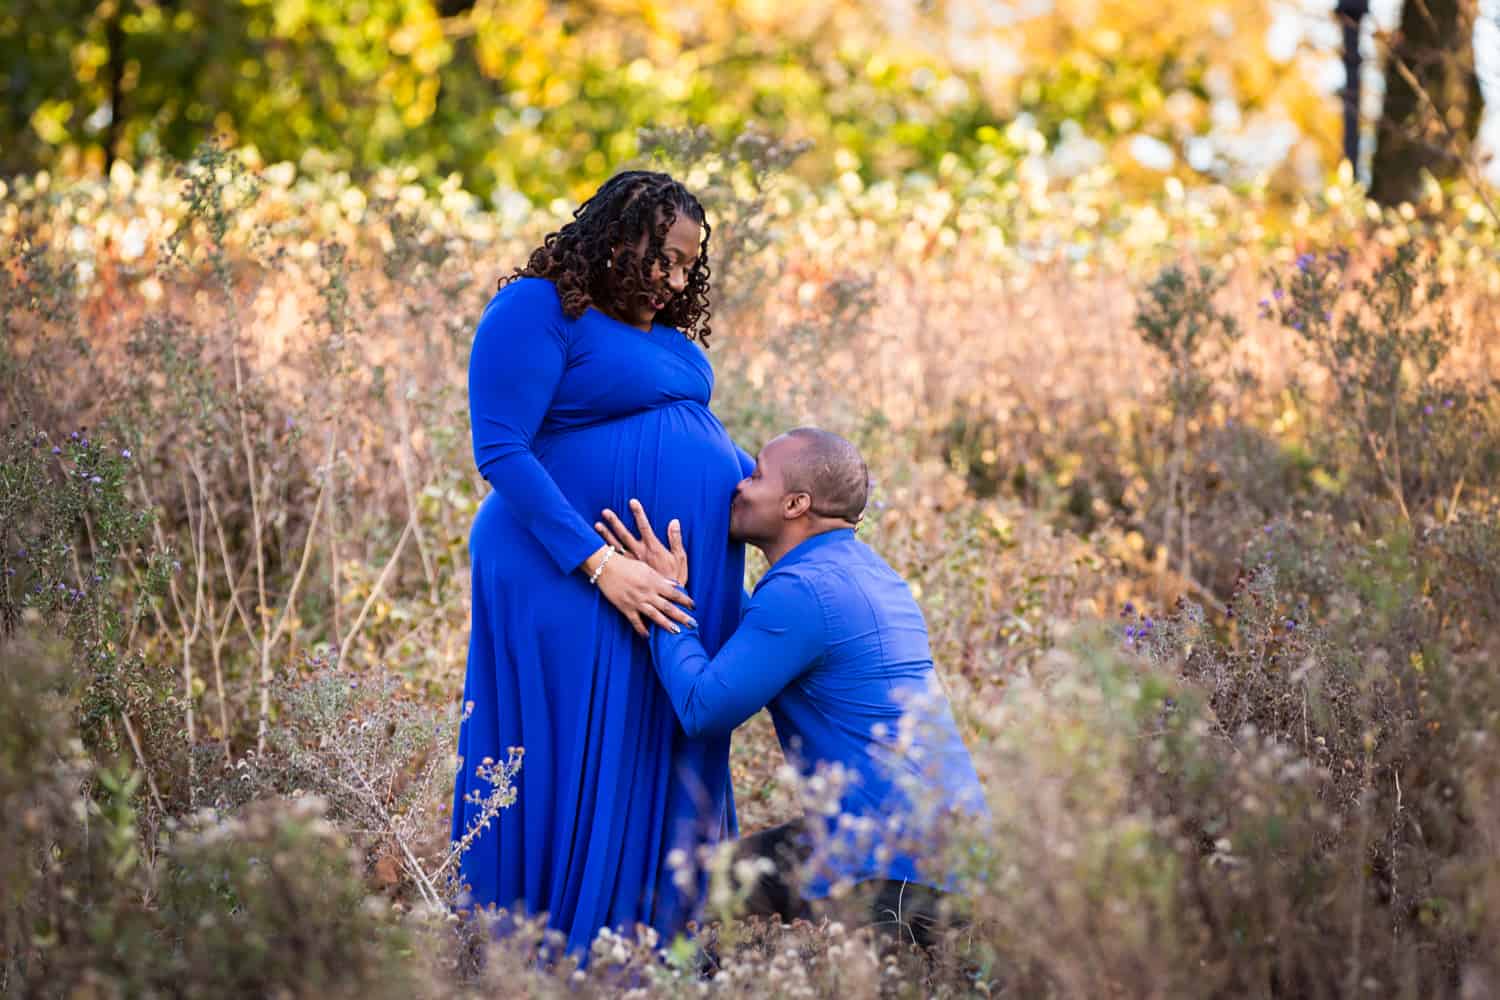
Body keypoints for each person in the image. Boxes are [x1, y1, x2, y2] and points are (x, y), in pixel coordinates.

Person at [450, 170, 756, 957]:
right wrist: (602, 567)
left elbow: (699, 438)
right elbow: (502, 450)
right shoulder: (538, 308)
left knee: (658, 737)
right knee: (576, 751)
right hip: (563, 571)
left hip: (668, 576)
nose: (676, 279)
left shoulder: (666, 341)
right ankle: (554, 950)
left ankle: (654, 944)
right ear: (618, 238)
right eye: (664, 258)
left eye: (690, 265)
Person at [594, 428, 989, 949]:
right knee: (711, 884)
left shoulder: (802, 590)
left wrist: (664, 597)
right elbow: (761, 634)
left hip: (896, 867)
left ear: (796, 504)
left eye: (756, 474)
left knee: (682, 890)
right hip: (945, 850)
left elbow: (702, 708)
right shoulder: (861, 572)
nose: (740, 485)